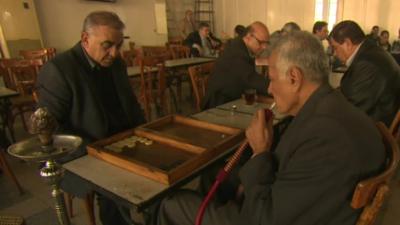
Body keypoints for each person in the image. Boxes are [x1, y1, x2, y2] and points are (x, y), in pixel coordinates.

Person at [155, 31, 386, 225]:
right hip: (306, 203)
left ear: (294, 77)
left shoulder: (323, 135)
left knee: (171, 203)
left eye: (273, 78)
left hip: (265, 216)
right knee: (216, 174)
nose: (271, 89)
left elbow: (264, 218)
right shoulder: (332, 106)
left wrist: (260, 152)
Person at [36, 11, 146, 225]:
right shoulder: (59, 70)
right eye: (107, 45)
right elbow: (51, 131)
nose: (114, 53)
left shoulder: (116, 64)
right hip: (82, 151)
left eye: (119, 45)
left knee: (162, 167)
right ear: (85, 39)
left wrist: (149, 133)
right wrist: (98, 152)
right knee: (114, 184)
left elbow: (131, 106)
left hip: (120, 141)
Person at [329, 20, 400, 126]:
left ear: (347, 43)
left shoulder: (368, 63)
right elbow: (349, 89)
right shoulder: (369, 52)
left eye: (335, 48)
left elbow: (352, 108)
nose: (334, 54)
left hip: (377, 129)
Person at [202, 21, 269, 109]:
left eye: (266, 43)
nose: (264, 47)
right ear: (249, 37)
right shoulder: (237, 51)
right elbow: (251, 79)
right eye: (261, 42)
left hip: (233, 100)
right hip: (217, 106)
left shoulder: (242, 46)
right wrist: (277, 87)